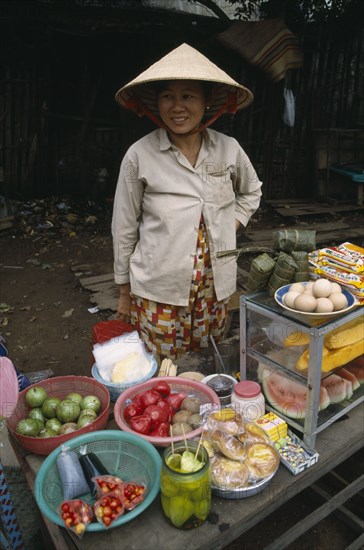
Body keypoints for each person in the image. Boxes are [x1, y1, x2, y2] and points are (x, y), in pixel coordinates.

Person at [112, 43, 262, 362]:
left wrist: (230, 223)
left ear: (207, 102)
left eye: (188, 95)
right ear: (156, 103)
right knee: (161, 364)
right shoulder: (139, 155)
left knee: (208, 356)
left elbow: (252, 192)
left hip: (215, 285)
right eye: (167, 96)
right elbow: (123, 227)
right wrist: (124, 291)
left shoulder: (228, 149)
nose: (177, 106)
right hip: (159, 287)